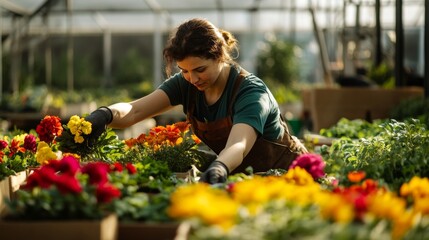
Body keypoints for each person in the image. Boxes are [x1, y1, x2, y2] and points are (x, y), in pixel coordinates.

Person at [85, 18, 308, 184]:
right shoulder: (186, 84)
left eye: (200, 69)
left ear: (220, 56)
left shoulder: (250, 92)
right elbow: (134, 111)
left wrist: (219, 167)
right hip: (243, 180)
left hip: (287, 178)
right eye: (184, 71)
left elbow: (238, 145)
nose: (192, 79)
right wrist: (105, 115)